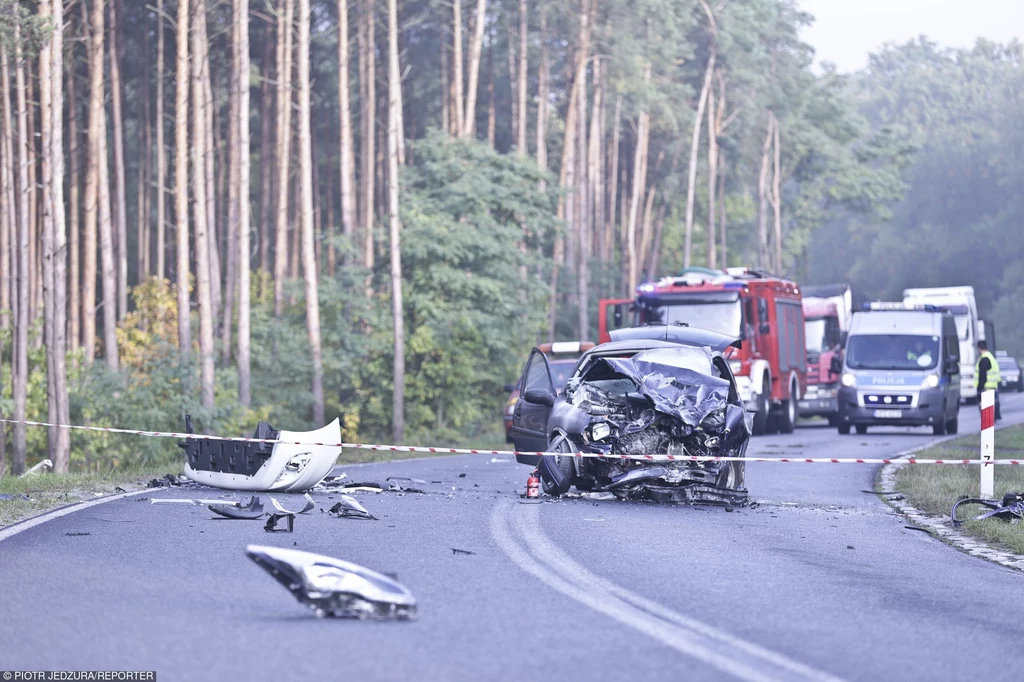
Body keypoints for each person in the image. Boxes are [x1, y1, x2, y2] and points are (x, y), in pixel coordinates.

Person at [976, 340, 1002, 420]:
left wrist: (979, 388)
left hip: (986, 388)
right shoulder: (991, 357)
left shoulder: (984, 359)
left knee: (987, 415)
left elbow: (982, 375)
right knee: (991, 411)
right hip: (993, 386)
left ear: (978, 348)